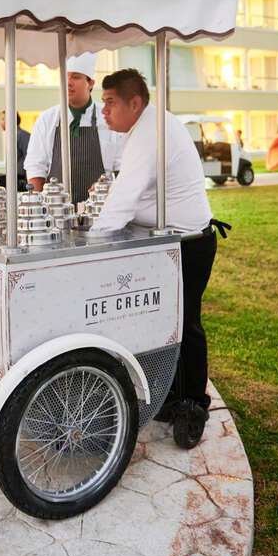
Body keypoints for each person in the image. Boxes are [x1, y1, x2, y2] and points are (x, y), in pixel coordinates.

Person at [88, 68, 225, 431]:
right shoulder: (145, 126)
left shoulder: (151, 131)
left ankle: (193, 404)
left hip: (188, 243)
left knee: (185, 323)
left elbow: (125, 197)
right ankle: (169, 396)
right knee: (166, 321)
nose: (104, 110)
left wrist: (93, 243)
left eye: (111, 102)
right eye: (103, 103)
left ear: (135, 103)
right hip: (170, 241)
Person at [24, 52, 122, 204]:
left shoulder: (109, 118)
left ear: (91, 83)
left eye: (76, 77)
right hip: (55, 211)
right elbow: (36, 167)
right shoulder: (47, 119)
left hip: (99, 209)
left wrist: (110, 188)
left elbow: (122, 168)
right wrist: (37, 206)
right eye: (65, 76)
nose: (68, 82)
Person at [0, 109, 30, 188]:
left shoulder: (22, 135)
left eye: (3, 119)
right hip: (12, 180)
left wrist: (28, 182)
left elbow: (29, 159)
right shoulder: (11, 136)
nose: (1, 122)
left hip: (22, 182)